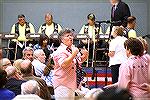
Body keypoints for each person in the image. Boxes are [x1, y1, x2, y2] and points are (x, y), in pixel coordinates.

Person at [52, 28, 88, 100]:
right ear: (61, 39)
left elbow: (78, 61)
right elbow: (64, 64)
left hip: (71, 84)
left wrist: (85, 56)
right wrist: (74, 54)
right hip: (62, 84)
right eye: (68, 36)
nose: (70, 37)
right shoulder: (60, 51)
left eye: (71, 35)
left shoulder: (72, 48)